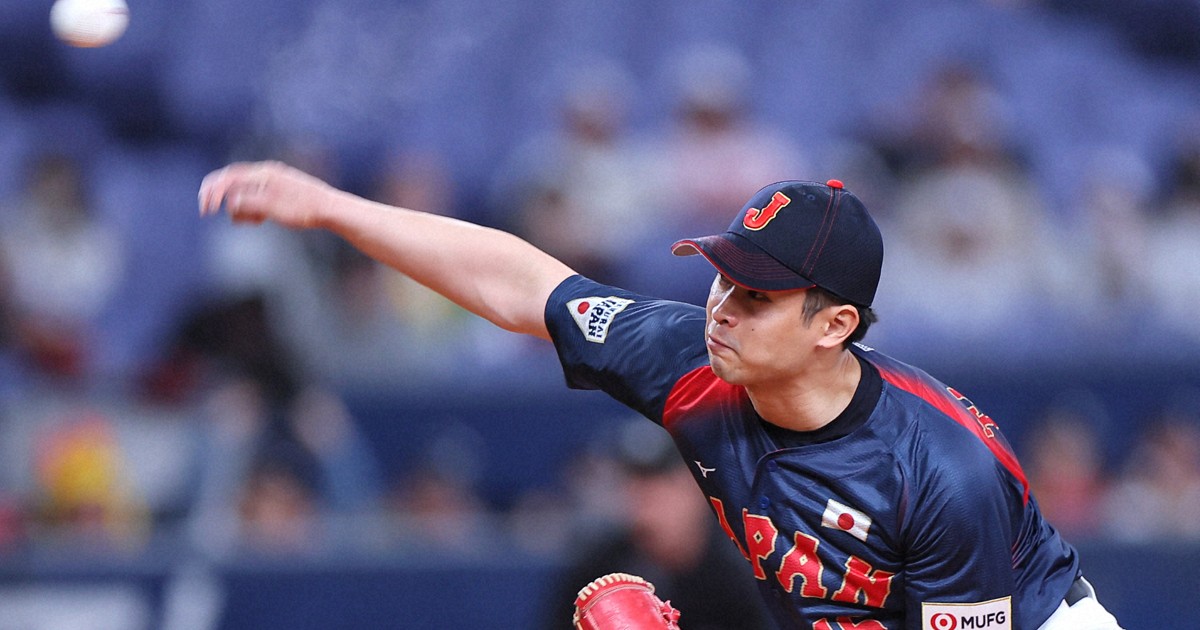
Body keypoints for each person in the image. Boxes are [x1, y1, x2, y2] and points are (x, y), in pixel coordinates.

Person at [198, 162, 1124, 629]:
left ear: (834, 325)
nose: (721, 308)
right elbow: (522, 284)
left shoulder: (942, 472)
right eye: (722, 277)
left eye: (757, 296)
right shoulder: (693, 360)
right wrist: (335, 209)